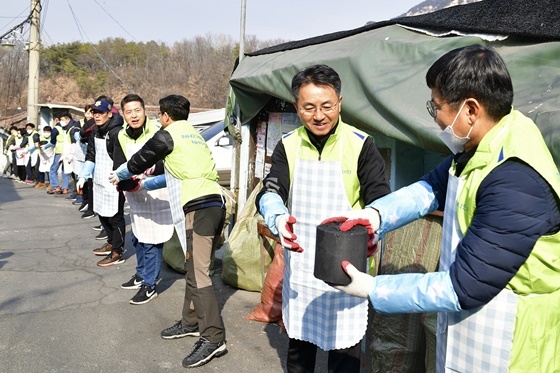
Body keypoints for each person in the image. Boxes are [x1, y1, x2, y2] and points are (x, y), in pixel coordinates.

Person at [331, 45, 560, 373]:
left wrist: (372, 288)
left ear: (470, 109)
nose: (435, 116)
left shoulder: (515, 179)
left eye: (436, 106)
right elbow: (430, 190)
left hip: (513, 345)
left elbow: (463, 286)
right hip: (472, 328)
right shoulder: (481, 143)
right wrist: (374, 217)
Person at [256, 64, 391, 372]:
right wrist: (277, 217)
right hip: (302, 267)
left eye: (327, 106)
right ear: (296, 107)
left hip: (346, 266)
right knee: (299, 353)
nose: (319, 116)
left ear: (340, 103)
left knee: (344, 355)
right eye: (309, 107)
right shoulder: (288, 145)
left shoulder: (360, 144)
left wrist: (374, 229)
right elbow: (272, 188)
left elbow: (380, 198)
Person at [109, 94, 227, 368]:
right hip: (211, 204)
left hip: (199, 207)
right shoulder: (193, 135)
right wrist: (143, 185)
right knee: (191, 267)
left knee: (199, 274)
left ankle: (214, 337)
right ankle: (191, 321)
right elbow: (173, 174)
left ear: (164, 116)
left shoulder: (168, 134)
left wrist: (121, 174)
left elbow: (140, 159)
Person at [112, 93, 173, 304]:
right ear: (123, 115)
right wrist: (124, 183)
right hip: (135, 193)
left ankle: (150, 285)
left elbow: (171, 163)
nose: (134, 115)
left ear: (145, 111)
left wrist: (151, 173)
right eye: (129, 112)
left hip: (157, 191)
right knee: (138, 236)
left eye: (137, 110)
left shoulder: (159, 131)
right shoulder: (121, 135)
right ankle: (141, 274)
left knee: (152, 239)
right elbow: (121, 164)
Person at [76, 98, 126, 267]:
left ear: (109, 114)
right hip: (99, 179)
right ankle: (111, 242)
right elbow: (91, 155)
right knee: (102, 212)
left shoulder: (117, 132)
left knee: (116, 216)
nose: (96, 116)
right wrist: (83, 176)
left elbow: (120, 159)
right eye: (94, 113)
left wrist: (121, 179)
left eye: (100, 113)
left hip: (114, 179)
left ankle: (118, 250)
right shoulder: (95, 131)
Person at [47, 112, 79, 194]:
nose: (61, 121)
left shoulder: (69, 128)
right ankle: (65, 188)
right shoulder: (67, 127)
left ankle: (55, 186)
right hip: (66, 151)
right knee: (66, 170)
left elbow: (73, 142)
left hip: (63, 152)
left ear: (68, 119)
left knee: (53, 169)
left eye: (62, 119)